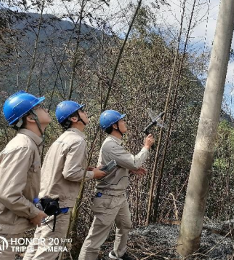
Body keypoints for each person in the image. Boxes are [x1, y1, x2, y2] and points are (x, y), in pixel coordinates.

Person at [23, 100, 106, 260]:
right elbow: (70, 173)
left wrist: (85, 170)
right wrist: (93, 175)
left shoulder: (61, 140)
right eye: (82, 111)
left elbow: (59, 170)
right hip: (58, 205)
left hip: (45, 201)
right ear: (74, 119)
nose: (85, 113)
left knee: (36, 247)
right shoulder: (77, 141)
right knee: (48, 251)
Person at [0, 91, 51, 260]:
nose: (45, 109)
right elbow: (7, 194)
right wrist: (34, 213)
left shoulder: (28, 145)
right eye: (39, 106)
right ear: (30, 118)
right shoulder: (23, 147)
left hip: (5, 232)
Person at [78, 110, 154, 260]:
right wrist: (146, 147)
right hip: (108, 197)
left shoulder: (115, 144)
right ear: (114, 125)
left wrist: (132, 170)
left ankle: (117, 254)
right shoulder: (110, 146)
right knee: (95, 238)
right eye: (122, 121)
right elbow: (133, 161)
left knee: (125, 225)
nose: (124, 123)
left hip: (118, 195)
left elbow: (118, 166)